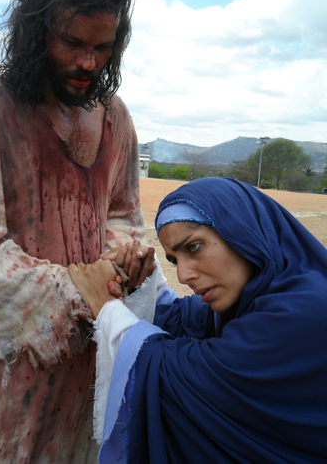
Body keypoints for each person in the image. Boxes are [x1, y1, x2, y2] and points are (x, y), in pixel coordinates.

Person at [0, 0, 153, 464]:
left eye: (103, 46)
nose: (88, 62)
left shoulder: (116, 118)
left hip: (86, 371)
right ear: (37, 30)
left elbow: (123, 215)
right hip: (1, 375)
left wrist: (123, 258)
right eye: (72, 42)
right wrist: (72, 287)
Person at [71, 177, 327, 463]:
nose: (183, 276)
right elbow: (179, 317)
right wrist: (138, 282)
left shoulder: (303, 311)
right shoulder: (253, 295)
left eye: (193, 248)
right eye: (173, 260)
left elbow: (181, 374)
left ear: (242, 231)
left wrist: (105, 306)